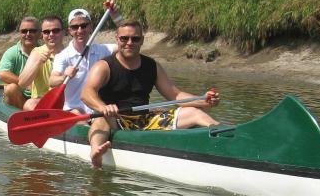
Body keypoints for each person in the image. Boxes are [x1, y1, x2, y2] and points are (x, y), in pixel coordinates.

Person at [81, 19, 221, 167]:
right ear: (117, 39)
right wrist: (103, 107)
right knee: (101, 118)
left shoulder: (152, 66)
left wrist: (203, 100)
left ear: (142, 40)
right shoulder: (103, 66)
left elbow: (175, 95)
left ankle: (225, 133)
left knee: (194, 112)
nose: (129, 43)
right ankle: (96, 152)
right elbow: (86, 93)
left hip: (145, 120)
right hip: (116, 119)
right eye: (124, 38)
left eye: (135, 39)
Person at [49, 5, 119, 114]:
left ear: (91, 27)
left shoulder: (103, 50)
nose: (80, 30)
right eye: (75, 27)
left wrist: (117, 17)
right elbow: (52, 81)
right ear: (70, 30)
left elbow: (128, 41)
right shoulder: (63, 56)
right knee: (78, 113)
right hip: (74, 110)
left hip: (97, 109)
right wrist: (64, 76)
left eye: (83, 25)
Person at [18, 15, 65, 111]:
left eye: (55, 31)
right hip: (42, 101)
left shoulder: (71, 53)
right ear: (42, 35)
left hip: (65, 101)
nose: (51, 34)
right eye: (47, 32)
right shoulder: (37, 53)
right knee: (29, 105)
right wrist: (38, 62)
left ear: (63, 33)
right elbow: (22, 83)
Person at [0, 17, 39, 108]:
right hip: (18, 96)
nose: (28, 34)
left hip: (38, 96)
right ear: (20, 33)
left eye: (32, 31)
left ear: (39, 33)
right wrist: (26, 84)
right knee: (11, 88)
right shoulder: (11, 53)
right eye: (24, 31)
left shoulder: (45, 52)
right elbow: (2, 74)